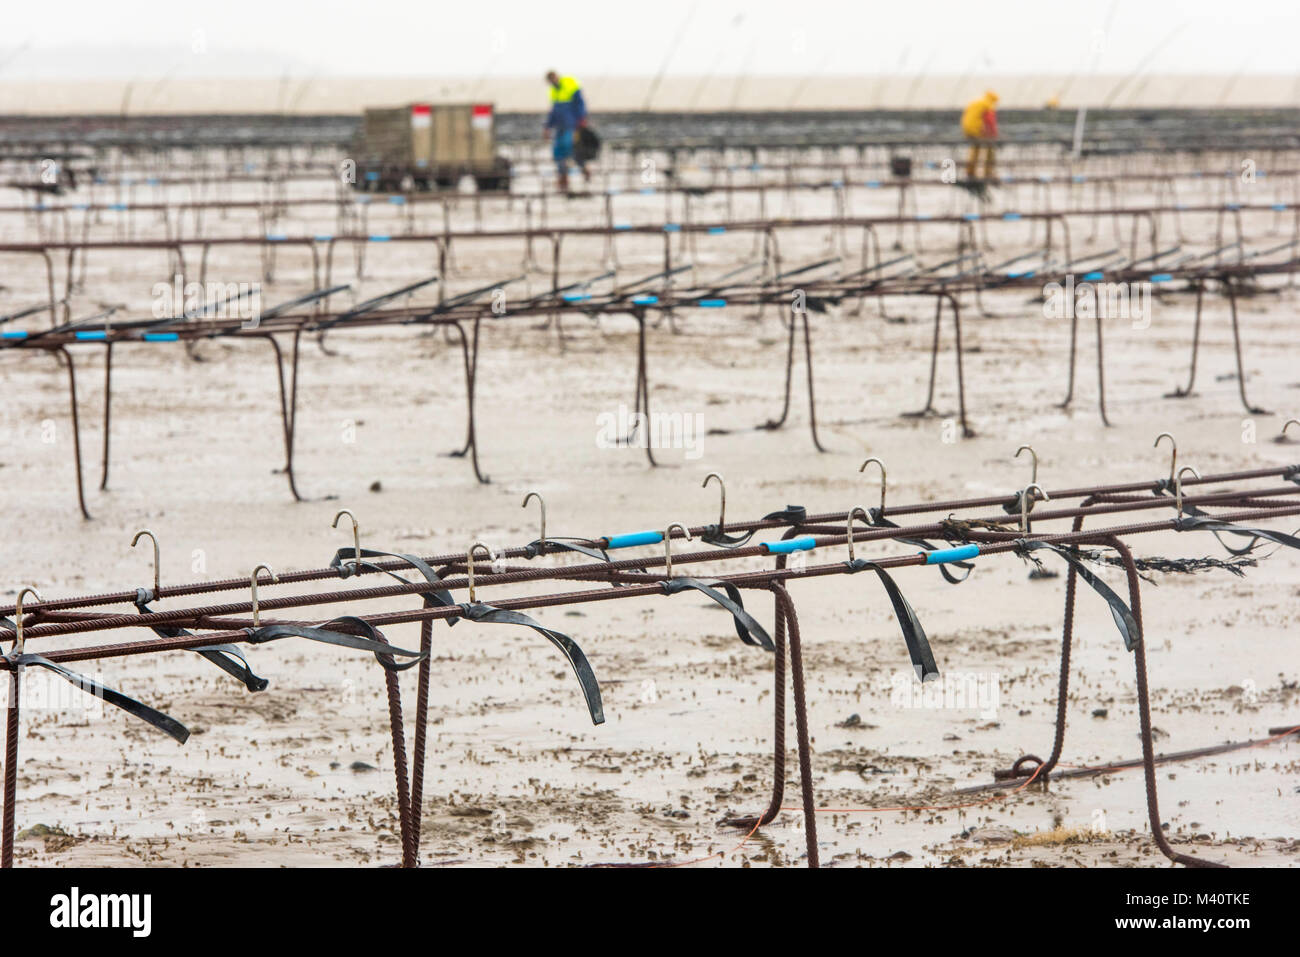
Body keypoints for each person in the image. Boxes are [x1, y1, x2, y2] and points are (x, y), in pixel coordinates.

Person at [544, 70, 589, 193]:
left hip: (572, 125)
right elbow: (554, 111)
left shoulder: (570, 84)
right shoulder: (553, 91)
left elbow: (580, 103)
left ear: (556, 76)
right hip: (559, 126)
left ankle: (583, 171)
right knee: (558, 152)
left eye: (553, 78)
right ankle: (563, 178)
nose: (552, 82)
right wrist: (547, 127)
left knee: (570, 150)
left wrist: (582, 119)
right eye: (550, 81)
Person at [961, 90, 999, 180]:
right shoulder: (988, 105)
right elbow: (990, 121)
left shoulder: (976, 103)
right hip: (977, 129)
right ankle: (988, 172)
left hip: (968, 129)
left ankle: (970, 172)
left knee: (975, 149)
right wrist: (993, 134)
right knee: (990, 148)